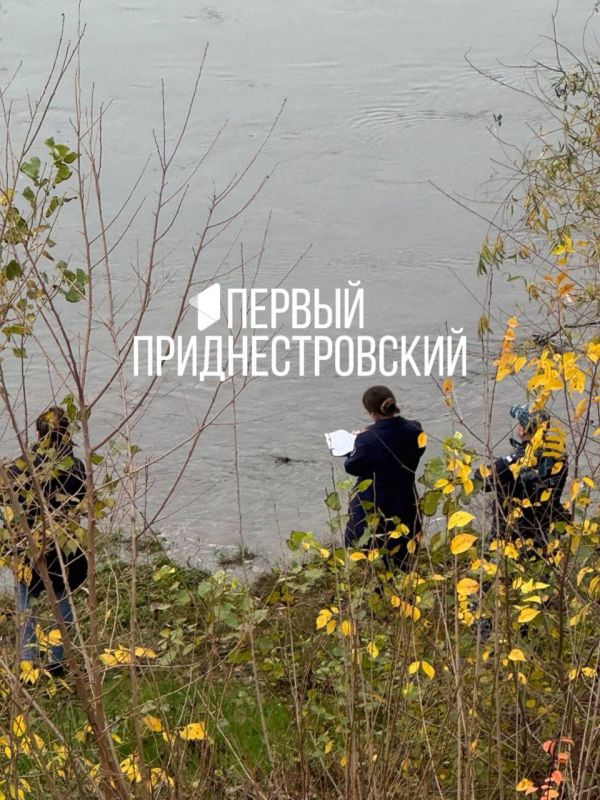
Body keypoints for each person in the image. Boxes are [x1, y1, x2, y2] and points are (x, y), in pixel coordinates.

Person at [1, 406, 88, 676]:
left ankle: (27, 663)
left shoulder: (20, 468)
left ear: (38, 435)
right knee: (62, 601)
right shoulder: (77, 469)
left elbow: (6, 503)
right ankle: (58, 661)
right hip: (64, 551)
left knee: (25, 603)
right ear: (67, 436)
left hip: (28, 551)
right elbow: (81, 506)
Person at [344, 386, 426, 568]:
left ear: (372, 412)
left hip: (374, 501)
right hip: (405, 499)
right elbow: (418, 448)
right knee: (404, 549)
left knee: (363, 545)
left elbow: (352, 467)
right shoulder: (416, 429)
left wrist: (355, 446)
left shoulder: (366, 440)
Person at [487, 403, 568, 550]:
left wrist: (509, 459)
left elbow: (483, 480)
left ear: (522, 430)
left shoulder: (514, 464)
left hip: (513, 539)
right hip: (546, 535)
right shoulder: (560, 459)